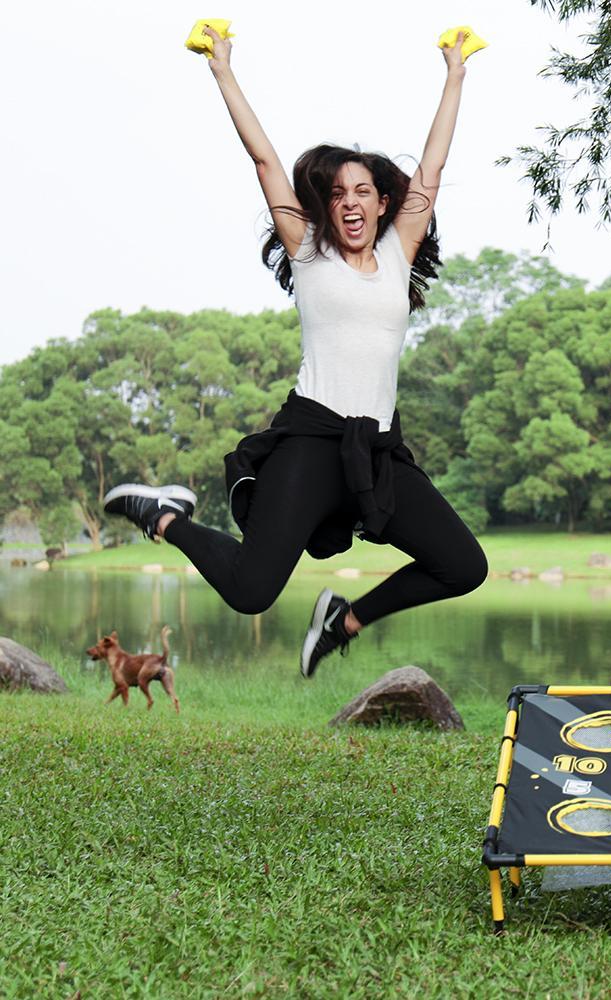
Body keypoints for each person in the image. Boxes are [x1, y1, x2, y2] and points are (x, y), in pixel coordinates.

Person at [103, 27, 488, 677]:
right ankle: (162, 516)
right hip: (312, 444)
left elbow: (434, 167)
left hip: (378, 453)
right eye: (338, 194)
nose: (350, 203)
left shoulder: (397, 255)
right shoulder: (309, 253)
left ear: (383, 202)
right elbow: (264, 163)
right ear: (327, 207)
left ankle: (345, 621)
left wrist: (455, 74)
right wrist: (222, 68)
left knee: (464, 564)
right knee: (252, 590)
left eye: (362, 191)